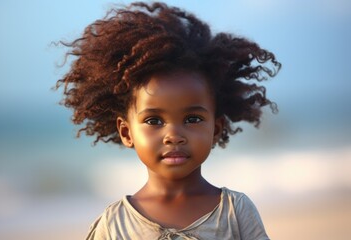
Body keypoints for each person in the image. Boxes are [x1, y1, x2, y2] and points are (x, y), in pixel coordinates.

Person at [55, 2, 281, 239]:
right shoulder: (114, 225)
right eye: (154, 121)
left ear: (216, 129)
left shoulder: (236, 212)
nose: (173, 135)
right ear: (126, 132)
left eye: (192, 118)